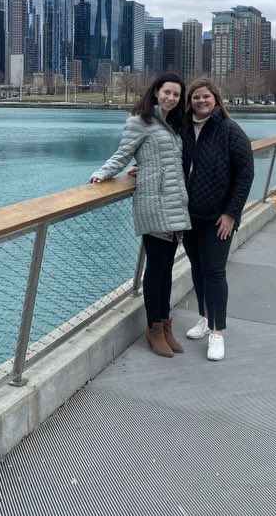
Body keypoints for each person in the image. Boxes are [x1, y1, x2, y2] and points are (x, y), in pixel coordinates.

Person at [90, 74, 190, 358]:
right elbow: (122, 154)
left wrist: (142, 165)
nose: (171, 98)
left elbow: (168, 161)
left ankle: (166, 325)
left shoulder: (173, 125)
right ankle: (154, 328)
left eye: (176, 94)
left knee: (167, 269)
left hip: (175, 202)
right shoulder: (139, 121)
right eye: (167, 92)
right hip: (154, 202)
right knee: (156, 268)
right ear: (156, 92)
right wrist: (103, 173)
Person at [181, 77, 254, 361]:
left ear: (216, 100)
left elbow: (245, 175)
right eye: (196, 97)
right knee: (197, 269)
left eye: (206, 97)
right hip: (189, 216)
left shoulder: (230, 131)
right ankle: (204, 318)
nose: (200, 101)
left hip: (217, 218)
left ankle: (217, 333)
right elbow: (168, 157)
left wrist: (231, 214)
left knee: (214, 272)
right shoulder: (184, 129)